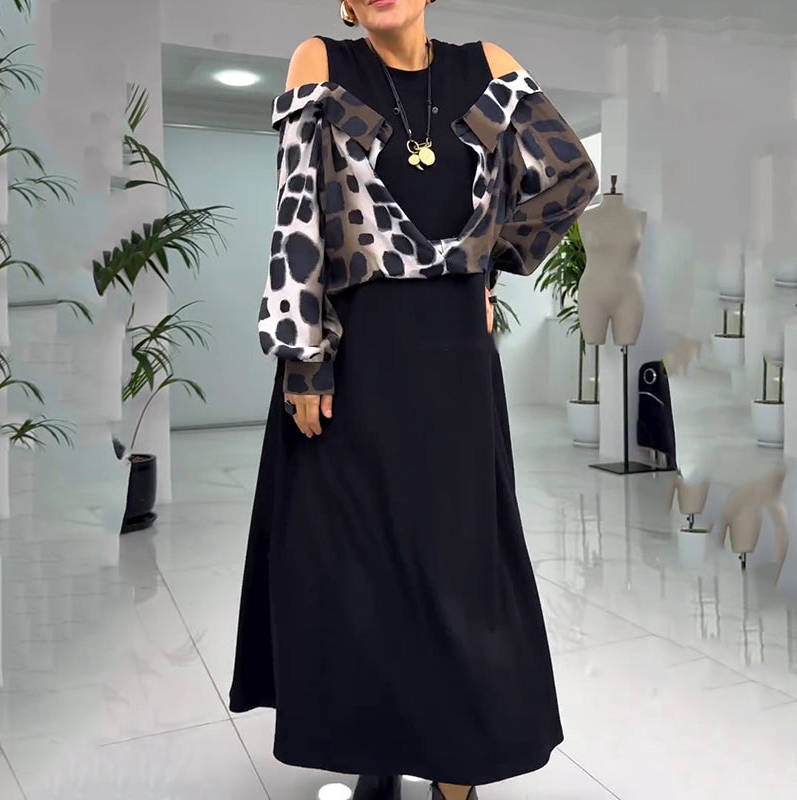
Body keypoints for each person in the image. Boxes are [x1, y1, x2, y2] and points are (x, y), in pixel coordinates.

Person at [229, 2, 599, 799]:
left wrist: (489, 263)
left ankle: (457, 772)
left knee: (458, 569)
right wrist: (303, 359)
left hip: (454, 364)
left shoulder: (487, 67)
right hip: (355, 357)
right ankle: (381, 755)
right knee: (361, 572)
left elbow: (571, 175)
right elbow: (297, 217)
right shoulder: (322, 62)